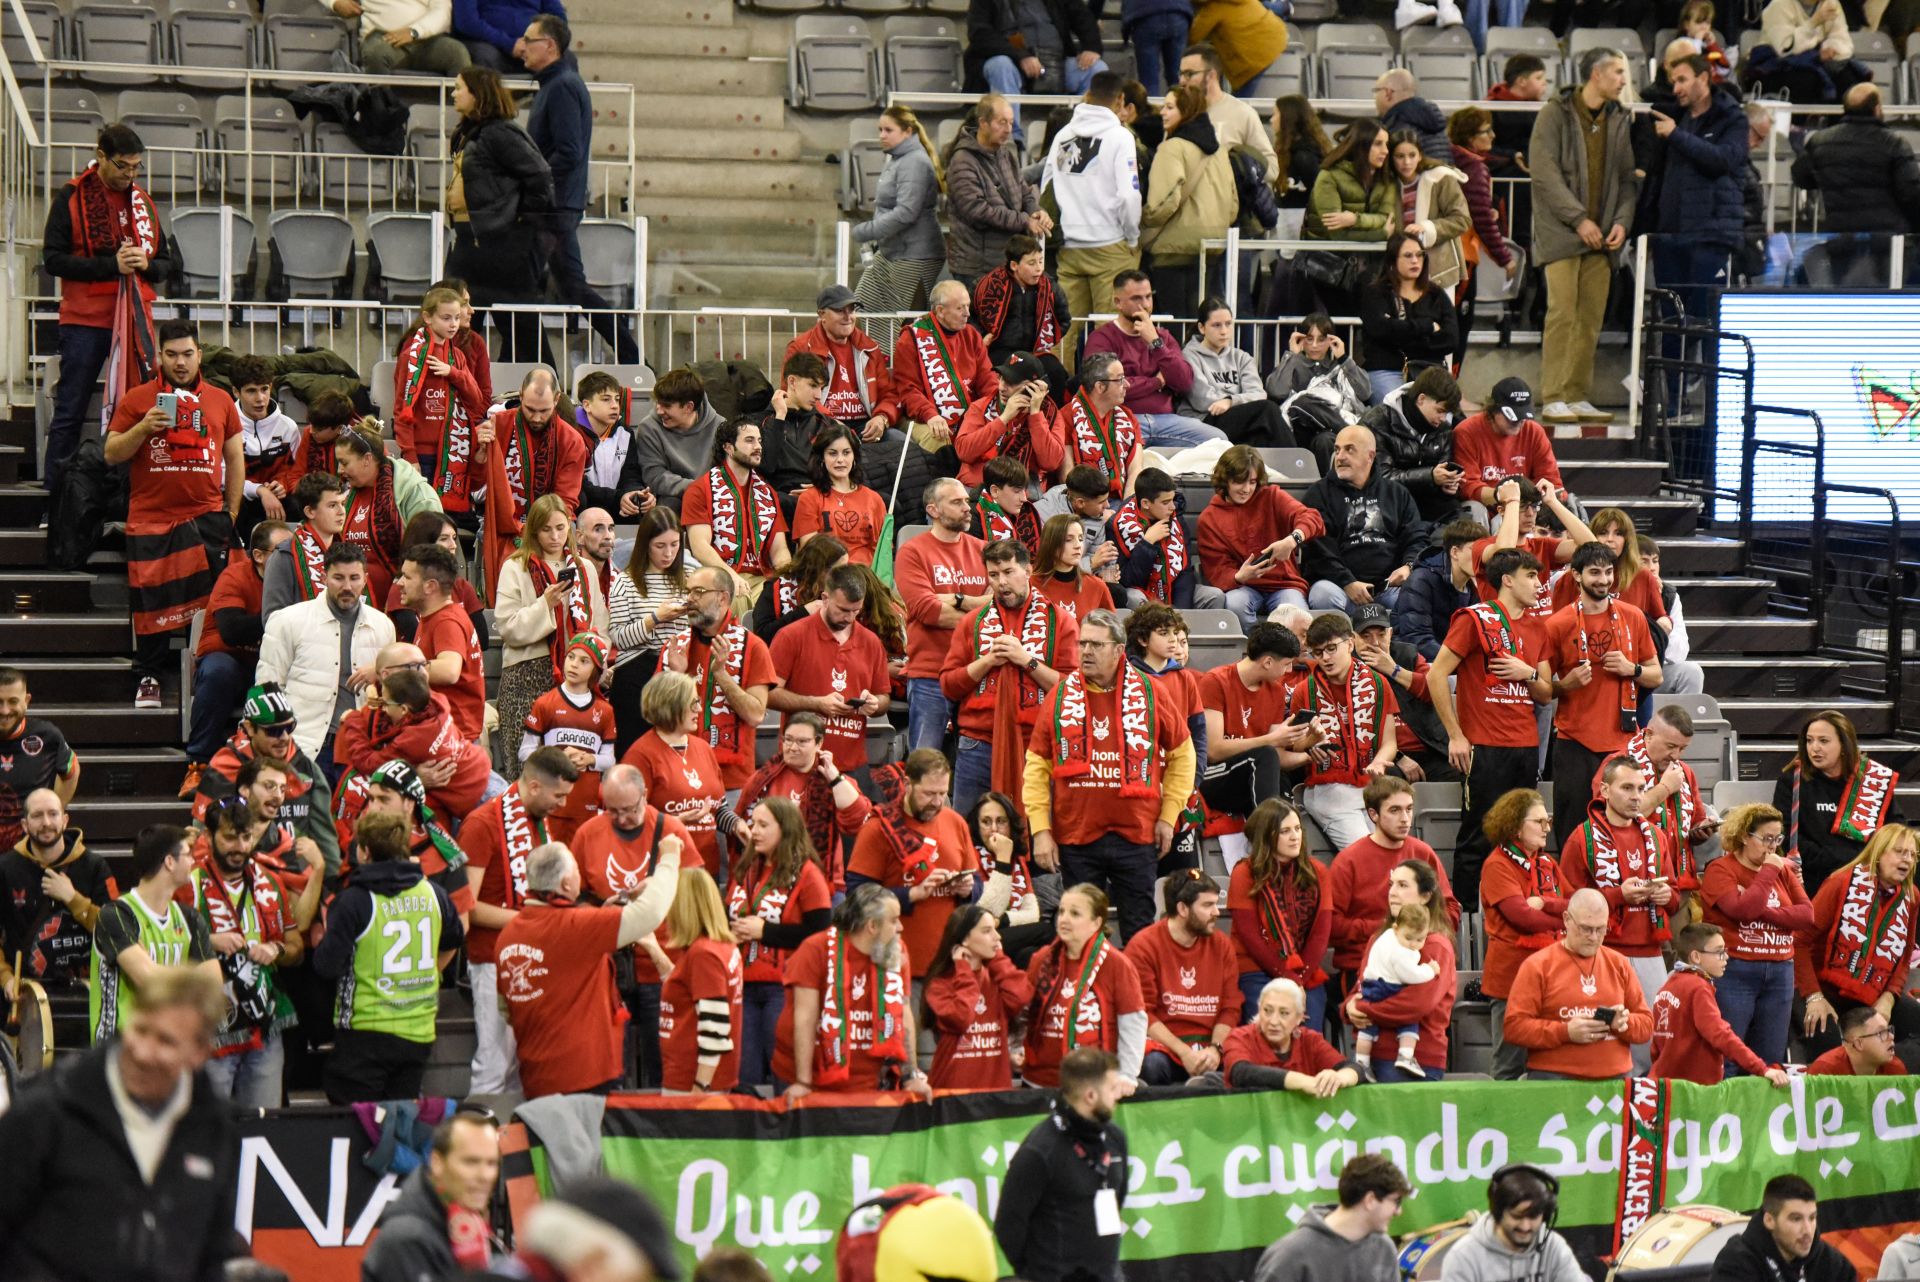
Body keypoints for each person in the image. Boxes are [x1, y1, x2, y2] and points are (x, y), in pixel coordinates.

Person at [0, 967, 239, 1282]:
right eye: (140, 1030)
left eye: (165, 1041)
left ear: (198, 1053)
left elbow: (213, 1247)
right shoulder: (49, 1109)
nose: (142, 1052)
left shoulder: (213, 1127)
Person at [1024, 609, 1196, 941]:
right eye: (1082, 643)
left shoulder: (1151, 691)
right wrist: (1040, 829)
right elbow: (1036, 767)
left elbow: (1183, 755)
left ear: (1119, 649)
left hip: (1137, 834)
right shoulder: (1060, 695)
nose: (1086, 651)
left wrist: (1169, 815)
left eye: (1096, 645)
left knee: (1140, 934)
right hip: (1076, 837)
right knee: (1082, 935)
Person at [104, 320, 243, 709]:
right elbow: (112, 452)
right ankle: (149, 675)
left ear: (200, 354)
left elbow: (235, 459)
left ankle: (212, 672)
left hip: (207, 518)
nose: (180, 363)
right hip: (152, 518)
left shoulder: (220, 400)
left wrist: (230, 512)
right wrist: (144, 428)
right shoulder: (138, 398)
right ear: (158, 357)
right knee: (151, 605)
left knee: (221, 602)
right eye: (171, 355)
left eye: (187, 354)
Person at [40, 124, 175, 499]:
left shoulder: (142, 203)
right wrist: (109, 266)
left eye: (136, 167)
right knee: (70, 411)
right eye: (122, 166)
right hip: (85, 319)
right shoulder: (71, 196)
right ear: (100, 155)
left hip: (136, 320)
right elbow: (52, 259)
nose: (130, 174)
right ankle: (58, 499)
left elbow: (166, 263)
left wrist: (145, 264)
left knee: (138, 412)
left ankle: (132, 495)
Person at [497, 837, 680, 1098]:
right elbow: (651, 913)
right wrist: (670, 859)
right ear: (566, 883)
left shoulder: (508, 935)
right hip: (586, 1076)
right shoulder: (575, 926)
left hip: (536, 1076)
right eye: (576, 871)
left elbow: (505, 1008)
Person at [1426, 547, 1552, 908]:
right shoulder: (1475, 618)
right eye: (1531, 576)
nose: (1539, 584)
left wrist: (1525, 673)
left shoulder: (1537, 625)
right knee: (1477, 839)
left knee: (1522, 837)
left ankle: (1514, 909)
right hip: (1484, 746)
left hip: (1526, 746)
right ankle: (1466, 926)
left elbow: (1545, 693)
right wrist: (1455, 735)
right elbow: (1436, 676)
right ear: (1507, 580)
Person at [312, 811, 465, 1102]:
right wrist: (430, 972)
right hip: (417, 1033)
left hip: (363, 1034)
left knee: (357, 1129)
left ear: (364, 851)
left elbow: (327, 966)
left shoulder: (354, 900)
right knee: (400, 1128)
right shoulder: (434, 893)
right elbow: (455, 940)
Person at [186, 794, 323, 1108]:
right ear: (208, 837)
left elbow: (296, 949)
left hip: (264, 1027)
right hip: (209, 1028)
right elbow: (165, 955)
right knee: (210, 1129)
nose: (239, 846)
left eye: (246, 837)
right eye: (230, 837)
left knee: (265, 1124)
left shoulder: (271, 882)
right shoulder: (189, 885)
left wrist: (275, 949)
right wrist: (208, 943)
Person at [460, 745, 578, 1094]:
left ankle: (509, 1145)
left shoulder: (538, 822)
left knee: (519, 1068)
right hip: (493, 962)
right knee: (494, 1067)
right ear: (535, 786)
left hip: (531, 956)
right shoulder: (482, 824)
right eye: (559, 795)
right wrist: (530, 919)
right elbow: (468, 905)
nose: (564, 804)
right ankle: (478, 1144)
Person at [523, 18, 639, 363]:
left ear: (550, 46)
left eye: (530, 40)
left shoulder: (561, 87)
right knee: (537, 289)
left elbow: (569, 152)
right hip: (554, 204)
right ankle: (544, 369)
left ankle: (635, 360)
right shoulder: (555, 85)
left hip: (554, 207)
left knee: (563, 287)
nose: (521, 46)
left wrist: (532, 178)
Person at [1532, 49, 1637, 425]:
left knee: (1591, 317)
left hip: (1604, 235)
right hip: (1562, 232)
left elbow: (1627, 179)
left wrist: (1622, 221)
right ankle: (1553, 395)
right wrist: (1579, 220)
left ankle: (1577, 394)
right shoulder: (1554, 113)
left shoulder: (1620, 118)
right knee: (1562, 312)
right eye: (1618, 71)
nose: (1624, 80)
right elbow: (1544, 174)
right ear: (1596, 74)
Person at [940, 539, 1076, 817]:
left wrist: (1027, 661)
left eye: (1009, 572)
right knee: (972, 838)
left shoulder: (1060, 621)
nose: (1001, 582)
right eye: (993, 575)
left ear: (1028, 571)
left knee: (1036, 834)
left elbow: (1073, 689)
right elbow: (948, 685)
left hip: (1037, 745)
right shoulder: (972, 622)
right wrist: (987, 661)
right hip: (977, 743)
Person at [1560, 754, 1676, 1073]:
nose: (1636, 796)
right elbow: (1567, 903)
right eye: (1627, 787)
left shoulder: (1657, 835)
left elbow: (1675, 895)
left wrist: (1668, 895)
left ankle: (1641, 1109)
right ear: (1606, 791)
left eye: (1641, 788)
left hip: (1651, 952)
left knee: (1652, 1037)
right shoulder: (1581, 837)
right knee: (1604, 1038)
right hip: (1602, 952)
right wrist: (1616, 895)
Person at [1545, 544, 1663, 844]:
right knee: (1572, 829)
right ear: (1576, 575)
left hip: (1620, 742)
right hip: (1574, 741)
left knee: (1621, 827)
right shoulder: (1557, 624)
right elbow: (1542, 691)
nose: (1603, 580)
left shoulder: (1633, 616)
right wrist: (1566, 684)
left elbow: (1656, 675)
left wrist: (1631, 669)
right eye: (1595, 572)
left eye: (1608, 572)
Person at [773, 883, 930, 1097]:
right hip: (813, 1080)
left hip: (871, 1084)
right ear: (872, 926)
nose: (901, 927)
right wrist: (803, 1082)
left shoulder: (895, 950)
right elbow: (805, 1018)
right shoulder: (814, 949)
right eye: (894, 921)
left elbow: (903, 1013)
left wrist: (910, 1076)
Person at [256, 542, 397, 774]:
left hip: (361, 748)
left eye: (354, 578)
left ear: (365, 578)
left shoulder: (383, 626)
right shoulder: (287, 621)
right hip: (304, 746)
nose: (347, 586)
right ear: (323, 577)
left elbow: (393, 693)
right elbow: (267, 688)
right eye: (338, 578)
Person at [446, 67, 555, 363]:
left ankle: (549, 392)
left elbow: (541, 177)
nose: (454, 93)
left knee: (520, 325)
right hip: (471, 242)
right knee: (457, 323)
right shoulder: (472, 132)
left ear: (478, 93)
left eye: (459, 87)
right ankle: (460, 390)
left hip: (501, 246)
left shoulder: (499, 133)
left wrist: (522, 229)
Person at [994, 1045, 1130, 1282]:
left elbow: (1119, 1198)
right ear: (1090, 1096)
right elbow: (1008, 1226)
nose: (1118, 1094)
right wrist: (1036, 1275)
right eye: (1112, 1088)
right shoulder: (1040, 1151)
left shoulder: (1115, 1139)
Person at [727, 796, 833, 1086]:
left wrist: (766, 933)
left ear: (785, 829)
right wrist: (730, 932)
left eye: (763, 825)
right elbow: (728, 916)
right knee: (743, 1077)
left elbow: (820, 934)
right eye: (753, 824)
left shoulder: (809, 874)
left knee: (784, 1075)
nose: (755, 831)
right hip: (742, 985)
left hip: (785, 988)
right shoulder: (745, 868)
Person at [1650, 55, 1748, 356]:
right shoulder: (1674, 117)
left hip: (1710, 236)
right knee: (1669, 326)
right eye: (1673, 82)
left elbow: (1723, 160)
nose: (1676, 88)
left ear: (1703, 79)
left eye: (1682, 80)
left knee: (1705, 324)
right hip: (1670, 236)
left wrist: (1677, 136)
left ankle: (1708, 400)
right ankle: (1668, 402)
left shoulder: (1732, 119)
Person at [1794, 824, 1919, 1059]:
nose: (1908, 859)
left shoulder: (1911, 896)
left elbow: (1904, 957)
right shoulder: (1839, 882)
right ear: (1879, 852)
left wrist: (1889, 998)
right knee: (1827, 1041)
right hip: (1821, 987)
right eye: (1900, 851)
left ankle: (1886, 1079)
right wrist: (1814, 996)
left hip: (1873, 992)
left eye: (1913, 854)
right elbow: (1799, 942)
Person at [1703, 802, 1812, 1071]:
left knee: (1770, 1058)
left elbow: (1807, 916)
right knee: (1728, 1055)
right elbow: (1742, 910)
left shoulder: (1782, 870)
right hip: (1736, 969)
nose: (1772, 846)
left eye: (1777, 839)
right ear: (1744, 836)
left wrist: (1763, 911)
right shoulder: (1721, 869)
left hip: (1780, 971)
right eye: (1766, 839)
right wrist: (1768, 873)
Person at [1502, 887, 1653, 1079]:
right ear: (1566, 919)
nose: (1593, 937)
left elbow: (1646, 1026)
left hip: (1614, 1081)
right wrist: (1565, 1032)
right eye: (1585, 928)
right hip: (1555, 1079)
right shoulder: (1538, 965)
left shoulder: (1619, 963)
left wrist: (1624, 1023)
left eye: (1601, 929)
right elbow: (1514, 1028)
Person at [192, 682, 342, 876]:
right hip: (239, 878)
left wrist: (331, 887)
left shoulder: (306, 769)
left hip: (296, 880)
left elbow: (325, 839)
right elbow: (203, 838)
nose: (284, 737)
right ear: (250, 728)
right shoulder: (225, 768)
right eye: (273, 731)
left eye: (289, 727)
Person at [87, 823, 217, 1045]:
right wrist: (190, 978)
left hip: (169, 1045)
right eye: (188, 853)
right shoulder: (116, 915)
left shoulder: (189, 918)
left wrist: (158, 970)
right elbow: (149, 981)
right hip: (119, 1049)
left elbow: (213, 985)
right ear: (169, 861)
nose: (194, 861)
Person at [1041, 74, 1141, 358]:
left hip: (1069, 246)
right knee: (1112, 336)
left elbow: (1047, 187)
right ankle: (1106, 401)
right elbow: (1129, 195)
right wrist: (1132, 237)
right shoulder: (1120, 137)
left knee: (1063, 335)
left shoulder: (1063, 135)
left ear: (1087, 94)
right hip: (1109, 245)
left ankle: (1059, 399)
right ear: (1120, 99)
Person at [1288, 611, 1400, 849]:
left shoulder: (1378, 683)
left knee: (1393, 854)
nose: (1325, 658)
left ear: (1350, 644)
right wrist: (1310, 742)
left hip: (1371, 787)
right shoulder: (1303, 692)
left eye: (1331, 648)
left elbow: (1390, 743)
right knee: (1368, 855)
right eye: (1317, 653)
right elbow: (1294, 746)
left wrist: (1379, 762)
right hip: (1328, 789)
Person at [896, 478, 992, 752]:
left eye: (966, 501)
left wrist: (959, 599)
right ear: (933, 510)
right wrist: (981, 611)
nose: (967, 508)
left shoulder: (984, 550)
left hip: (977, 672)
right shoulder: (912, 552)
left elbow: (1004, 601)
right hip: (930, 674)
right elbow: (927, 611)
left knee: (976, 766)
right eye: (956, 502)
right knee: (926, 765)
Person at [1020, 882, 1147, 1088]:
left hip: (1095, 1084)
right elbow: (1024, 1010)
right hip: (1038, 1081)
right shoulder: (1042, 958)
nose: (1064, 919)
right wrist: (1016, 1049)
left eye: (1075, 914)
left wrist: (1127, 1075)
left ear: (1096, 922)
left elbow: (1132, 1023)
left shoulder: (1117, 964)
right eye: (1061, 912)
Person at [1328, 779, 1461, 974]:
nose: (1405, 818)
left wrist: (1417, 927)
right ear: (1373, 814)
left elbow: (1450, 909)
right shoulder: (1348, 861)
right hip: (1365, 968)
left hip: (1420, 963)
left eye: (1409, 809)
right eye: (1395, 810)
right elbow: (1331, 925)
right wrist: (1386, 928)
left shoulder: (1423, 852)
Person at [1478, 788, 1566, 1080]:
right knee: (1509, 1066)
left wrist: (1549, 904)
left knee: (1548, 1063)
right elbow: (1522, 917)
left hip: (1550, 976)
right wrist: (1563, 919)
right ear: (1516, 825)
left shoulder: (1547, 863)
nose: (1546, 828)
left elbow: (1578, 904)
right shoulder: (1497, 865)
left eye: (1548, 821)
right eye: (1538, 822)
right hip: (1510, 979)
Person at [479, 368, 588, 599]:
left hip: (549, 527)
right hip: (502, 525)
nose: (537, 418)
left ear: (557, 400)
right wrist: (479, 453)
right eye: (530, 410)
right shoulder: (497, 425)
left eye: (544, 411)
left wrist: (538, 531)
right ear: (520, 396)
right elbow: (475, 484)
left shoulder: (571, 440)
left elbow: (565, 501)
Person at [1084, 272, 1225, 449]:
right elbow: (1106, 387)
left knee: (1220, 442)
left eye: (1148, 297)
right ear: (1117, 302)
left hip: (1167, 420)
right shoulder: (1102, 338)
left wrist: (1155, 343)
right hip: (1121, 418)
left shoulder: (1163, 338)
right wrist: (1157, 381)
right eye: (1136, 298)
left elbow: (1184, 382)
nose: (1144, 305)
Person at [1126, 870, 1240, 1084]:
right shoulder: (1143, 946)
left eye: (1216, 904)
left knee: (1245, 1062)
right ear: (1182, 908)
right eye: (1207, 905)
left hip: (1212, 1049)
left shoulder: (1222, 945)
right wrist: (1184, 1053)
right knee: (1151, 1066)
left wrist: (1216, 1050)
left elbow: (1230, 1008)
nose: (1217, 912)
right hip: (1166, 1049)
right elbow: (1144, 1013)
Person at [360, 1111, 502, 1282]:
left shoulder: (468, 1222)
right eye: (471, 1162)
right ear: (437, 1163)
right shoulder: (404, 1239)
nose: (485, 1175)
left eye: (492, 1163)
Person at [1776, 708, 1905, 896]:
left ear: (1844, 745)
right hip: (1816, 874)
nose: (1814, 748)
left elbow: (1896, 828)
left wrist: (1874, 860)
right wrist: (1835, 859)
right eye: (1809, 740)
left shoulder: (1871, 781)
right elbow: (1784, 835)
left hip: (1868, 872)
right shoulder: (1792, 780)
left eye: (1824, 741)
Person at [1302, 425, 1428, 614]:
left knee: (1415, 594)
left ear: (1370, 456)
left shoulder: (1396, 493)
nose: (1340, 457)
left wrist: (1408, 566)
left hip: (1387, 590)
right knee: (1323, 594)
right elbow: (1318, 550)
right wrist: (1348, 582)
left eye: (1349, 449)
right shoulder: (1318, 494)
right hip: (1340, 589)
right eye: (1337, 450)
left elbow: (1416, 538)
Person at [0, 789, 112, 1000]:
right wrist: (6, 977)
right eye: (37, 815)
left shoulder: (95, 866)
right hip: (24, 994)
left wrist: (73, 899)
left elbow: (116, 930)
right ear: (24, 825)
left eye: (53, 814)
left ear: (65, 820)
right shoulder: (5, 868)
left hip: (87, 992)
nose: (46, 822)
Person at [1228, 798, 1332, 1025]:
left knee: (1307, 1031)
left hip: (1305, 968)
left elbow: (1320, 935)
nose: (1295, 836)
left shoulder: (1318, 872)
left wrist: (1299, 979)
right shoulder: (1244, 872)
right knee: (1270, 1029)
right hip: (1256, 969)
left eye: (1297, 829)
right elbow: (1251, 937)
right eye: (1285, 831)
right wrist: (1288, 979)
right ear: (1266, 836)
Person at [1652, 921, 1791, 1085]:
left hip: (1665, 1085)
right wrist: (1762, 1068)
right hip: (1695, 1092)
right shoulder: (1698, 987)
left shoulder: (1668, 985)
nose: (1726, 957)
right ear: (1696, 956)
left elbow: (1656, 1046)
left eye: (1725, 951)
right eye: (1719, 952)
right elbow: (1721, 1035)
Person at [1140, 84, 1237, 313]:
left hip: (1174, 248)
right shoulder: (1220, 150)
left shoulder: (1172, 148)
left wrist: (1146, 219)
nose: (1162, 112)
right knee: (1201, 323)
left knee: (1176, 326)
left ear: (1187, 110)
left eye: (1169, 107)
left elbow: (1164, 201)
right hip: (1213, 244)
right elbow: (1233, 202)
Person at [392, 285, 490, 508]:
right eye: (446, 318)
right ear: (428, 317)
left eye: (456, 317)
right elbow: (401, 410)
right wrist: (410, 455)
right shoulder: (411, 357)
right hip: (422, 454)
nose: (453, 324)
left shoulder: (457, 356)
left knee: (447, 519)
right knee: (424, 516)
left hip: (453, 451)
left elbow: (476, 400)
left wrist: (453, 373)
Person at [1196, 623, 1305, 820]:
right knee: (1262, 755)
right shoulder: (1215, 681)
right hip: (1213, 775)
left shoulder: (1276, 691)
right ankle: (1271, 834)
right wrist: (1270, 740)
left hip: (1253, 773)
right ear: (1268, 662)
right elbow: (1213, 751)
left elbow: (1275, 758)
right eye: (1287, 663)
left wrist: (1310, 753)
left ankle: (1280, 832)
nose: (1289, 670)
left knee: (1279, 779)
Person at [921, 903, 1033, 1089]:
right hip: (953, 1092)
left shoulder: (997, 976)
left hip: (995, 1091)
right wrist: (964, 973)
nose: (997, 937)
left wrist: (997, 959)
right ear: (964, 939)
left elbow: (1022, 997)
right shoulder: (941, 983)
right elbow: (962, 1018)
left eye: (995, 931)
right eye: (987, 931)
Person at [681, 418, 792, 606]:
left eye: (759, 441)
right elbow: (700, 547)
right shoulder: (700, 489)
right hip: (718, 575)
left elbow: (779, 550)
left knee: (785, 599)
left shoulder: (768, 493)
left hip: (761, 579)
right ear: (729, 448)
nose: (758, 446)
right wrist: (731, 575)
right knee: (737, 598)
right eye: (749, 440)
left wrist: (787, 580)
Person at [606, 508, 691, 750]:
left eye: (675, 544)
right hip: (635, 675)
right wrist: (655, 618)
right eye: (660, 546)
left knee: (672, 752)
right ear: (645, 545)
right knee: (633, 751)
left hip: (674, 675)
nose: (668, 553)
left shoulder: (688, 579)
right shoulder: (626, 581)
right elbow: (619, 637)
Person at [1251, 1153, 1409, 1282]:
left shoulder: (1383, 1249)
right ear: (1370, 1201)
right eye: (1396, 1201)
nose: (1399, 1211)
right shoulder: (1289, 1257)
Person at [852, 106, 947, 315]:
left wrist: (867, 230)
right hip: (892, 252)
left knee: (891, 325)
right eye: (880, 130)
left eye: (888, 130)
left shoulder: (914, 162)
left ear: (908, 132)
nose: (881, 136)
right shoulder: (898, 159)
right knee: (861, 311)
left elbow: (907, 212)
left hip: (914, 256)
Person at [948, 96, 1049, 291]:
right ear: (983, 123)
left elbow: (1024, 191)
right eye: (1002, 122)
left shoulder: (1006, 154)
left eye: (1011, 122)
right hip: (976, 267)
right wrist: (1025, 220)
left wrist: (1036, 211)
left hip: (1003, 261)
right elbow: (976, 210)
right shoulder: (962, 160)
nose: (1008, 129)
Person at [1790, 84, 1920, 234]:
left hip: (1841, 235)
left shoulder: (1820, 141)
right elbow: (1911, 194)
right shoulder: (1894, 143)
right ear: (1877, 109)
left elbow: (1800, 177)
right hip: (1886, 238)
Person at [1359, 231, 1460, 407]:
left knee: (1443, 414)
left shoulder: (1436, 294)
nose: (1415, 260)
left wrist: (1400, 331)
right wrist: (1427, 326)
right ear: (1392, 260)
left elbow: (1451, 339)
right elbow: (1379, 329)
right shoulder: (1376, 293)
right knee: (1397, 409)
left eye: (1419, 255)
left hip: (1429, 370)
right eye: (1408, 256)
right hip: (1387, 369)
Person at [398, 542, 487, 743]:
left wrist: (391, 670)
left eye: (407, 577)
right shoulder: (435, 616)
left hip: (451, 741)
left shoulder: (446, 622)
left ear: (430, 586)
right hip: (448, 735)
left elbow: (449, 671)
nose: (399, 583)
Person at [1439, 1166, 1585, 1282]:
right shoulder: (1464, 1257)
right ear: (1497, 1212)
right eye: (1516, 1216)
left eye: (1533, 1217)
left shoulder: (1553, 1247)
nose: (1525, 1226)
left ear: (1545, 1216)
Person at [1181, 302, 1296, 449]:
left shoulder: (1241, 357)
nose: (1224, 331)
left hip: (1236, 417)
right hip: (1204, 419)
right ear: (1201, 328)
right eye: (1216, 325)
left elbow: (1258, 394)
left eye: (1228, 324)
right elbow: (1203, 401)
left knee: (1262, 435)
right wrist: (1235, 402)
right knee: (1268, 410)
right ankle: (1296, 462)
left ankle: (1283, 468)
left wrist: (1231, 401)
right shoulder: (1188, 356)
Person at [1108, 467, 1226, 609]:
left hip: (1175, 592)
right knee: (1133, 598)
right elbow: (1128, 580)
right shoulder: (1119, 526)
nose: (1173, 507)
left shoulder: (1175, 518)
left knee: (1215, 595)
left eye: (1172, 500)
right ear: (1145, 503)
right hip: (1141, 591)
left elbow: (1185, 570)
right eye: (1165, 503)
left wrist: (1180, 612)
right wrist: (1147, 544)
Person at [973, 238, 1073, 401]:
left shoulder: (1049, 286)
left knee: (1055, 372)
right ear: (1014, 265)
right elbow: (971, 317)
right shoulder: (989, 285)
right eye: (1032, 263)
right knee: (992, 375)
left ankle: (1054, 420)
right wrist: (981, 337)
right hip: (999, 350)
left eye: (1041, 261)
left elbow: (1064, 319)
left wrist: (1046, 339)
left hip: (1034, 351)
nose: (1039, 268)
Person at [967, 0, 1107, 115]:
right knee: (1000, 65)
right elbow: (979, 34)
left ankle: (1082, 132)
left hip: (1057, 64)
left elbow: (1083, 16)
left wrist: (1091, 47)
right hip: (1012, 64)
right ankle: (1011, 138)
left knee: (1097, 69)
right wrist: (1021, 55)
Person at [1220, 976, 1357, 1095]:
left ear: (1299, 1017)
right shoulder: (1239, 1037)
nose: (1273, 1021)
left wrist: (1338, 1078)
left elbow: (1354, 1068)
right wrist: (1302, 1081)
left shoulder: (1310, 1040)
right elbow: (1240, 1073)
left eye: (1284, 1013)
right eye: (1267, 1011)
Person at [1707, 1176, 1857, 1282]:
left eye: (1812, 1218)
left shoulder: (1831, 1263)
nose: (1807, 1230)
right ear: (1769, 1220)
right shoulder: (1736, 1263)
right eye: (1796, 1219)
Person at [1352, 902, 1439, 1077]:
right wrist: (1431, 970)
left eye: (1420, 939)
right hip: (1388, 987)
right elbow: (1411, 975)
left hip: (1370, 986)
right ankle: (1406, 1056)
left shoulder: (1384, 937)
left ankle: (1361, 1062)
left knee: (1367, 1028)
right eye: (1409, 938)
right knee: (1409, 1021)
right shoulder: (1401, 952)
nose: (1413, 944)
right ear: (1396, 927)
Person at [0, 669, 80, 855]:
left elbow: (72, 771)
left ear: (26, 701)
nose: (4, 711)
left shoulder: (47, 736)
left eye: (12, 701)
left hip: (29, 850)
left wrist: (52, 814)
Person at [956, 355, 1065, 490]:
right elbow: (964, 452)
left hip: (1023, 493)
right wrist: (1004, 418)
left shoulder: (1050, 415)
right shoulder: (981, 407)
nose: (1001, 387)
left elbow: (1051, 462)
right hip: (977, 489)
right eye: (1000, 378)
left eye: (1011, 382)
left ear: (1033, 386)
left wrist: (1035, 415)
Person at [1452, 379, 1564, 510]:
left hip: (1526, 507)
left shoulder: (1534, 431)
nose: (1519, 422)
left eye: (1522, 416)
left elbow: (1551, 480)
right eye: (1512, 417)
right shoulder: (1467, 432)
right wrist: (1502, 495)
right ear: (1493, 410)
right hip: (1486, 507)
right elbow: (1468, 487)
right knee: (1475, 508)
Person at [1445, 108, 1520, 300]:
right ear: (1470, 138)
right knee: (1459, 322)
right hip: (1463, 253)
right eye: (1486, 131)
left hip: (1445, 251)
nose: (1493, 136)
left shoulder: (1449, 159)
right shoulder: (1474, 168)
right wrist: (1505, 259)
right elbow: (1482, 219)